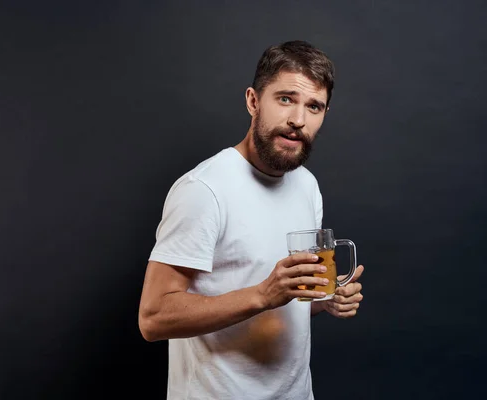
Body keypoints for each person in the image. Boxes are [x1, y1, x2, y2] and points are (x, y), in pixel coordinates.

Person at [138, 40, 365, 400]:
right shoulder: (204, 189)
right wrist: (262, 294)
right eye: (286, 98)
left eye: (314, 106)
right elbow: (152, 318)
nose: (298, 119)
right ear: (253, 101)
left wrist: (326, 300)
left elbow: (289, 303)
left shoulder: (307, 185)